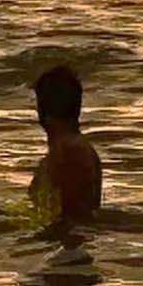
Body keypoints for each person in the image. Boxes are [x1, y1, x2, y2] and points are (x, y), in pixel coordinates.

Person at [27, 66, 102, 225]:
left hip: (65, 246)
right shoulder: (69, 148)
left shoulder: (70, 152)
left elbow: (71, 218)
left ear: (41, 108)